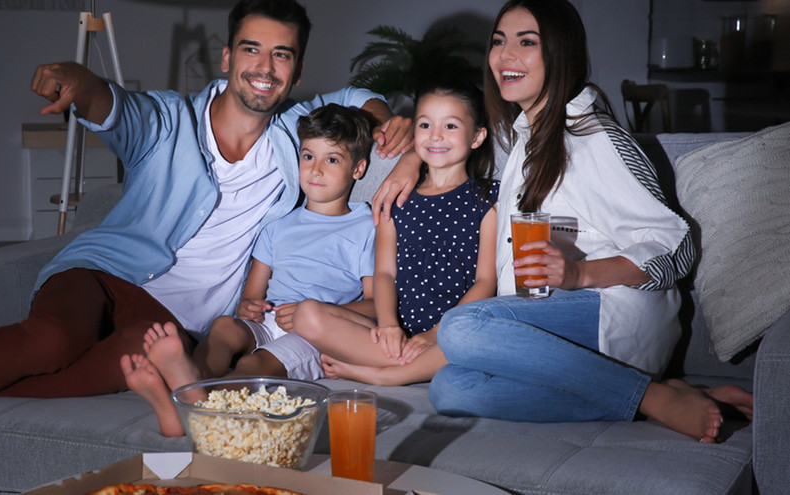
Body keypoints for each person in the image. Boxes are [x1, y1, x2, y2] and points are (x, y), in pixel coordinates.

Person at [0, 0, 414, 479]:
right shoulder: (170, 119)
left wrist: (392, 123)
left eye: (281, 54)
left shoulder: (298, 133)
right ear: (227, 56)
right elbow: (116, 107)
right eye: (251, 49)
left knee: (130, 355)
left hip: (170, 322)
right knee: (49, 342)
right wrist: (82, 82)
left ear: (295, 68)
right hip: (101, 274)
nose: (264, 67)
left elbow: (358, 96)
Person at [372, 0, 753, 443]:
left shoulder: (592, 136)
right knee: (452, 388)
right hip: (547, 328)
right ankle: (661, 394)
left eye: (526, 42)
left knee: (461, 326)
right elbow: (447, 131)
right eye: (498, 41)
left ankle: (651, 398)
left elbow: (678, 247)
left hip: (609, 314)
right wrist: (411, 157)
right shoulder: (525, 134)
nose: (505, 55)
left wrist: (579, 272)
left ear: (559, 53)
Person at [121, 103, 378, 436]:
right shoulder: (278, 225)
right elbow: (252, 296)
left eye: (331, 160)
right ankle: (186, 386)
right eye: (307, 156)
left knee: (252, 366)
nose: (315, 170)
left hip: (315, 335)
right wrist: (248, 306)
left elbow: (375, 305)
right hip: (269, 321)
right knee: (225, 326)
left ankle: (183, 407)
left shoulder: (365, 226)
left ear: (358, 169)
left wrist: (317, 312)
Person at [293, 80, 499, 386]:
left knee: (482, 336)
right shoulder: (396, 199)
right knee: (306, 314)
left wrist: (435, 334)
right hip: (396, 333)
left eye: (451, 126)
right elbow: (385, 274)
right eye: (425, 124)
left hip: (454, 330)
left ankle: (385, 374)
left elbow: (485, 282)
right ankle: (413, 364)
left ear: (477, 136)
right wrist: (389, 326)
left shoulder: (486, 199)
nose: (436, 135)